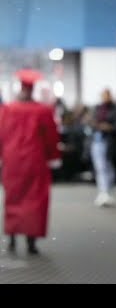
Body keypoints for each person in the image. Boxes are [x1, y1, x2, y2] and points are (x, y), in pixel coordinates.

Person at [0, 69, 61, 255]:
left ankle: (11, 237)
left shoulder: (7, 110)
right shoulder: (43, 111)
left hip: (12, 161)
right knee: (35, 200)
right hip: (36, 161)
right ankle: (31, 241)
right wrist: (53, 157)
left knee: (13, 198)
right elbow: (51, 137)